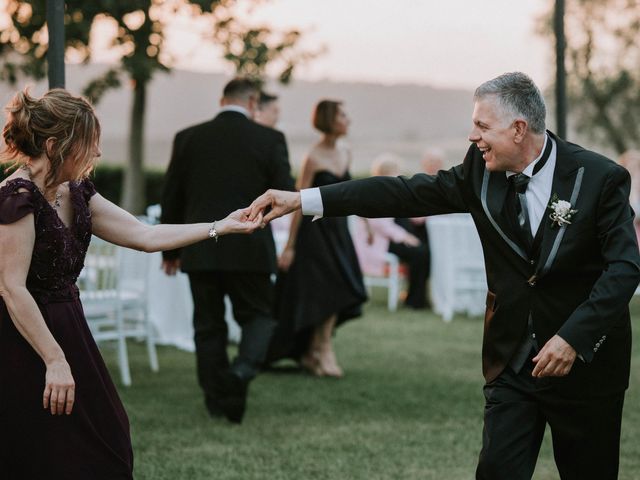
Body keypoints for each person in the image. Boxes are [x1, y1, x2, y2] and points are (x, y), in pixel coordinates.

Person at [249, 72, 640, 479]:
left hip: (586, 368)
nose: (473, 137)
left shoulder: (599, 178)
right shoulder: (479, 171)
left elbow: (624, 268)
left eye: (482, 126)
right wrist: (302, 199)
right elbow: (403, 192)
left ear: (519, 129)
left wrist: (572, 339)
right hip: (512, 362)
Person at [0, 88, 261, 479]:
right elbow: (11, 288)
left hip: (70, 327)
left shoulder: (78, 192)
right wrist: (53, 360)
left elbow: (144, 235)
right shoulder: (16, 199)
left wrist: (220, 226)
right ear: (56, 145)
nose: (97, 154)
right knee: (36, 448)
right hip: (24, 336)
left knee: (109, 437)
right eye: (89, 144)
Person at [160, 77, 294, 423]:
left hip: (202, 246)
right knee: (260, 317)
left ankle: (216, 400)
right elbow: (285, 193)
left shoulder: (188, 137)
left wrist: (171, 251)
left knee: (208, 326)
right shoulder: (270, 139)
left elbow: (172, 196)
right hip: (251, 246)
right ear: (253, 102)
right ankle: (240, 374)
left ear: (222, 100)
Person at [265, 99, 367, 378]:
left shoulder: (346, 152)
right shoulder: (312, 157)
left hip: (339, 232)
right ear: (329, 120)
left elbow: (349, 194)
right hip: (314, 234)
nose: (348, 120)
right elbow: (299, 203)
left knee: (342, 286)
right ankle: (321, 351)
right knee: (325, 290)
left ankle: (317, 349)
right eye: (342, 115)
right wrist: (289, 246)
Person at [354, 154, 430, 309]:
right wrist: (404, 237)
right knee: (420, 253)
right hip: (378, 242)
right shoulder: (373, 193)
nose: (398, 175)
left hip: (389, 239)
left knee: (423, 249)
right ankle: (415, 301)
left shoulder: (392, 191)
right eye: (394, 171)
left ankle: (417, 297)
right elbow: (381, 225)